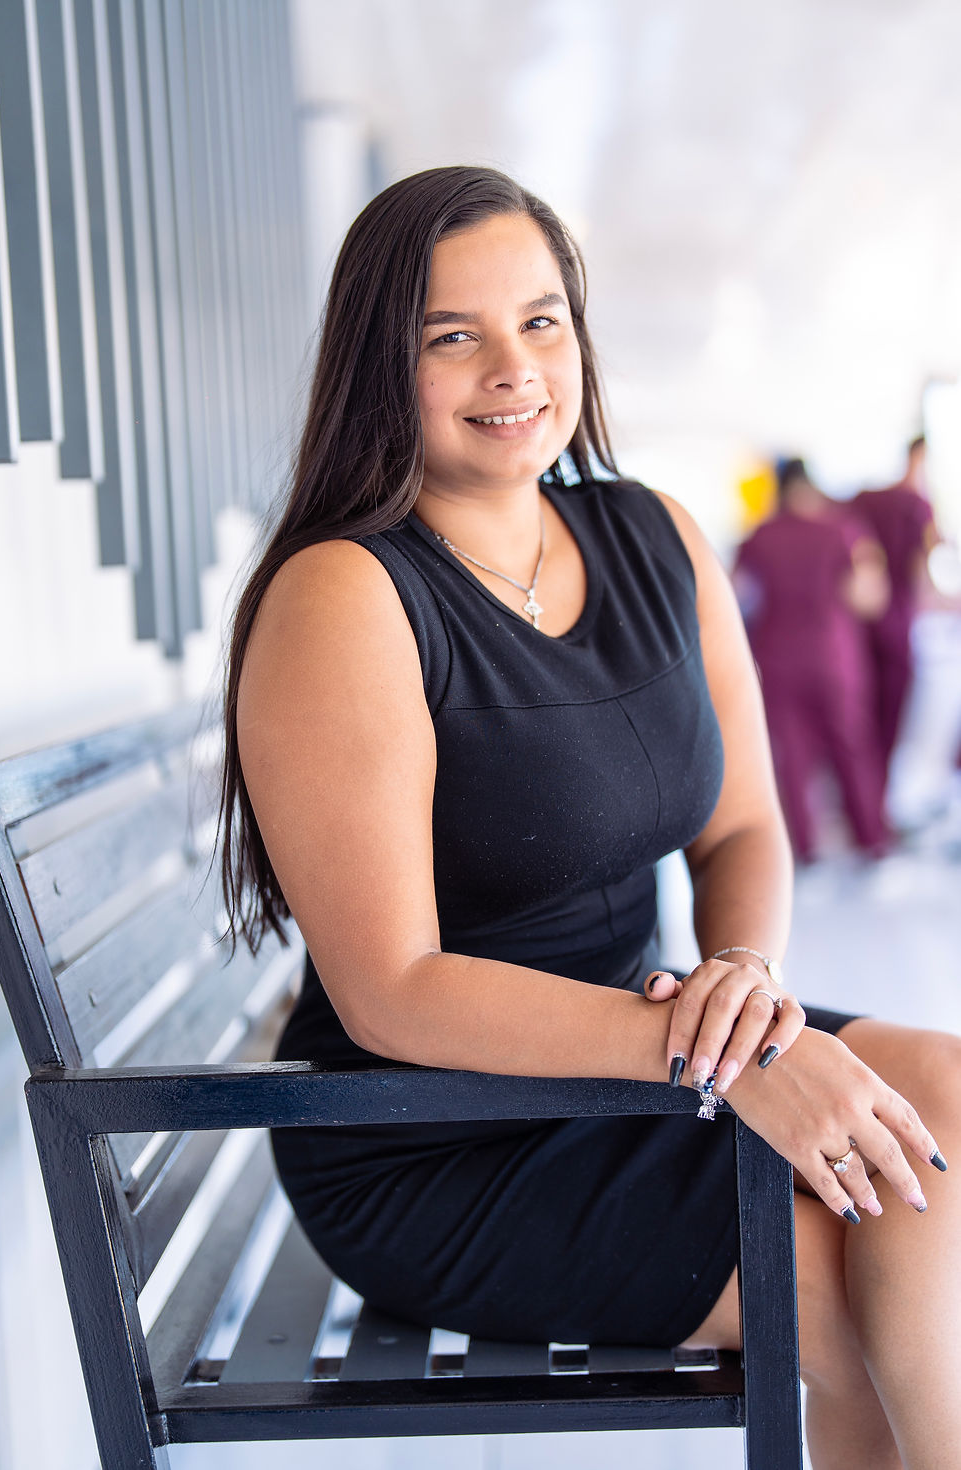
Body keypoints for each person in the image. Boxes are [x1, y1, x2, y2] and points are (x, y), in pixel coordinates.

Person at [220, 166, 960, 1470]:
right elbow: (391, 989)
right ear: (379, 366)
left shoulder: (654, 535)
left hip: (642, 1051)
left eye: (542, 320)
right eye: (454, 335)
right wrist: (732, 1059)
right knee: (841, 1279)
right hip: (435, 1132)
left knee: (943, 1101)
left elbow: (740, 830)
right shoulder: (345, 596)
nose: (514, 367)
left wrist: (743, 984)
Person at [733, 457, 889, 863]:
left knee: (793, 757)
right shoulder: (844, 529)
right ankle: (871, 841)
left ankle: (806, 849)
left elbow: (738, 596)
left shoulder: (759, 536)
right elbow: (867, 596)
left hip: (778, 658)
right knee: (852, 748)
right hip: (833, 657)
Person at [853, 437, 939, 788]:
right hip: (896, 622)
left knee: (862, 712)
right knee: (889, 715)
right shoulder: (918, 506)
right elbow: (922, 570)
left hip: (860, 628)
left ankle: (864, 798)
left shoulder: (866, 500)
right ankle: (877, 798)